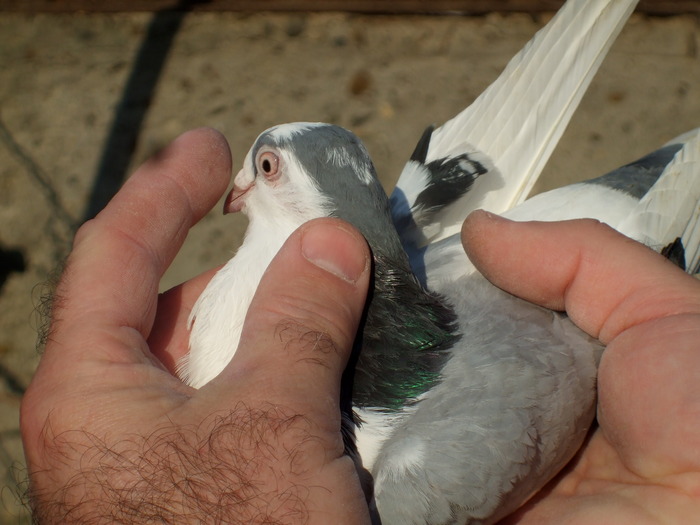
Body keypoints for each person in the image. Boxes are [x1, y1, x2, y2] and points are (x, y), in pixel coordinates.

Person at [20, 128, 700, 524]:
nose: (238, 188)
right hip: (517, 274)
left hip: (572, 284)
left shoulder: (410, 481)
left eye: (262, 168)